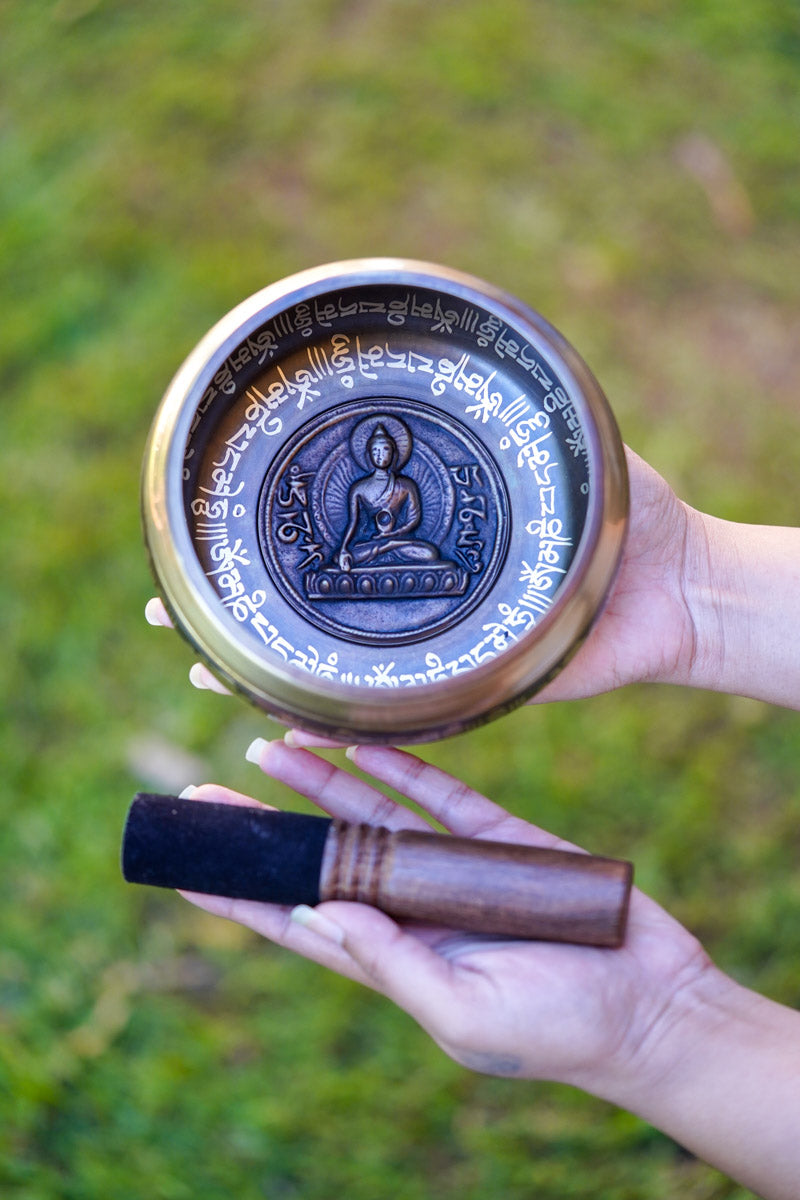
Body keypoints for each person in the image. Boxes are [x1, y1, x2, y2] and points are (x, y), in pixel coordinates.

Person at [146, 446, 800, 1199]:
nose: (387, 460)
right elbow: (351, 544)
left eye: (395, 449)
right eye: (380, 450)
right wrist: (656, 1027)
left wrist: (661, 1033)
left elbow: (412, 534)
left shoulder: (401, 491)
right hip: (365, 560)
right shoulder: (363, 488)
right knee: (360, 554)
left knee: (412, 549)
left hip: (411, 562)